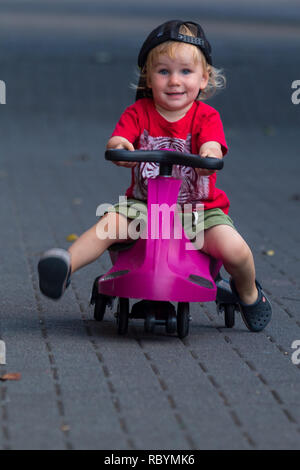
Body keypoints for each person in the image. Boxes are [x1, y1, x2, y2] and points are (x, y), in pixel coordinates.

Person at [38, 20, 272, 332]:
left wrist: (209, 156)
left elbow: (212, 145)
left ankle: (248, 292)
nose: (174, 81)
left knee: (235, 249)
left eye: (185, 72)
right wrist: (120, 146)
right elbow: (119, 139)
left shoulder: (206, 117)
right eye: (164, 71)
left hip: (199, 212)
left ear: (204, 79)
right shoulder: (138, 113)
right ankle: (65, 266)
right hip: (144, 207)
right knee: (107, 225)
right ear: (148, 78)